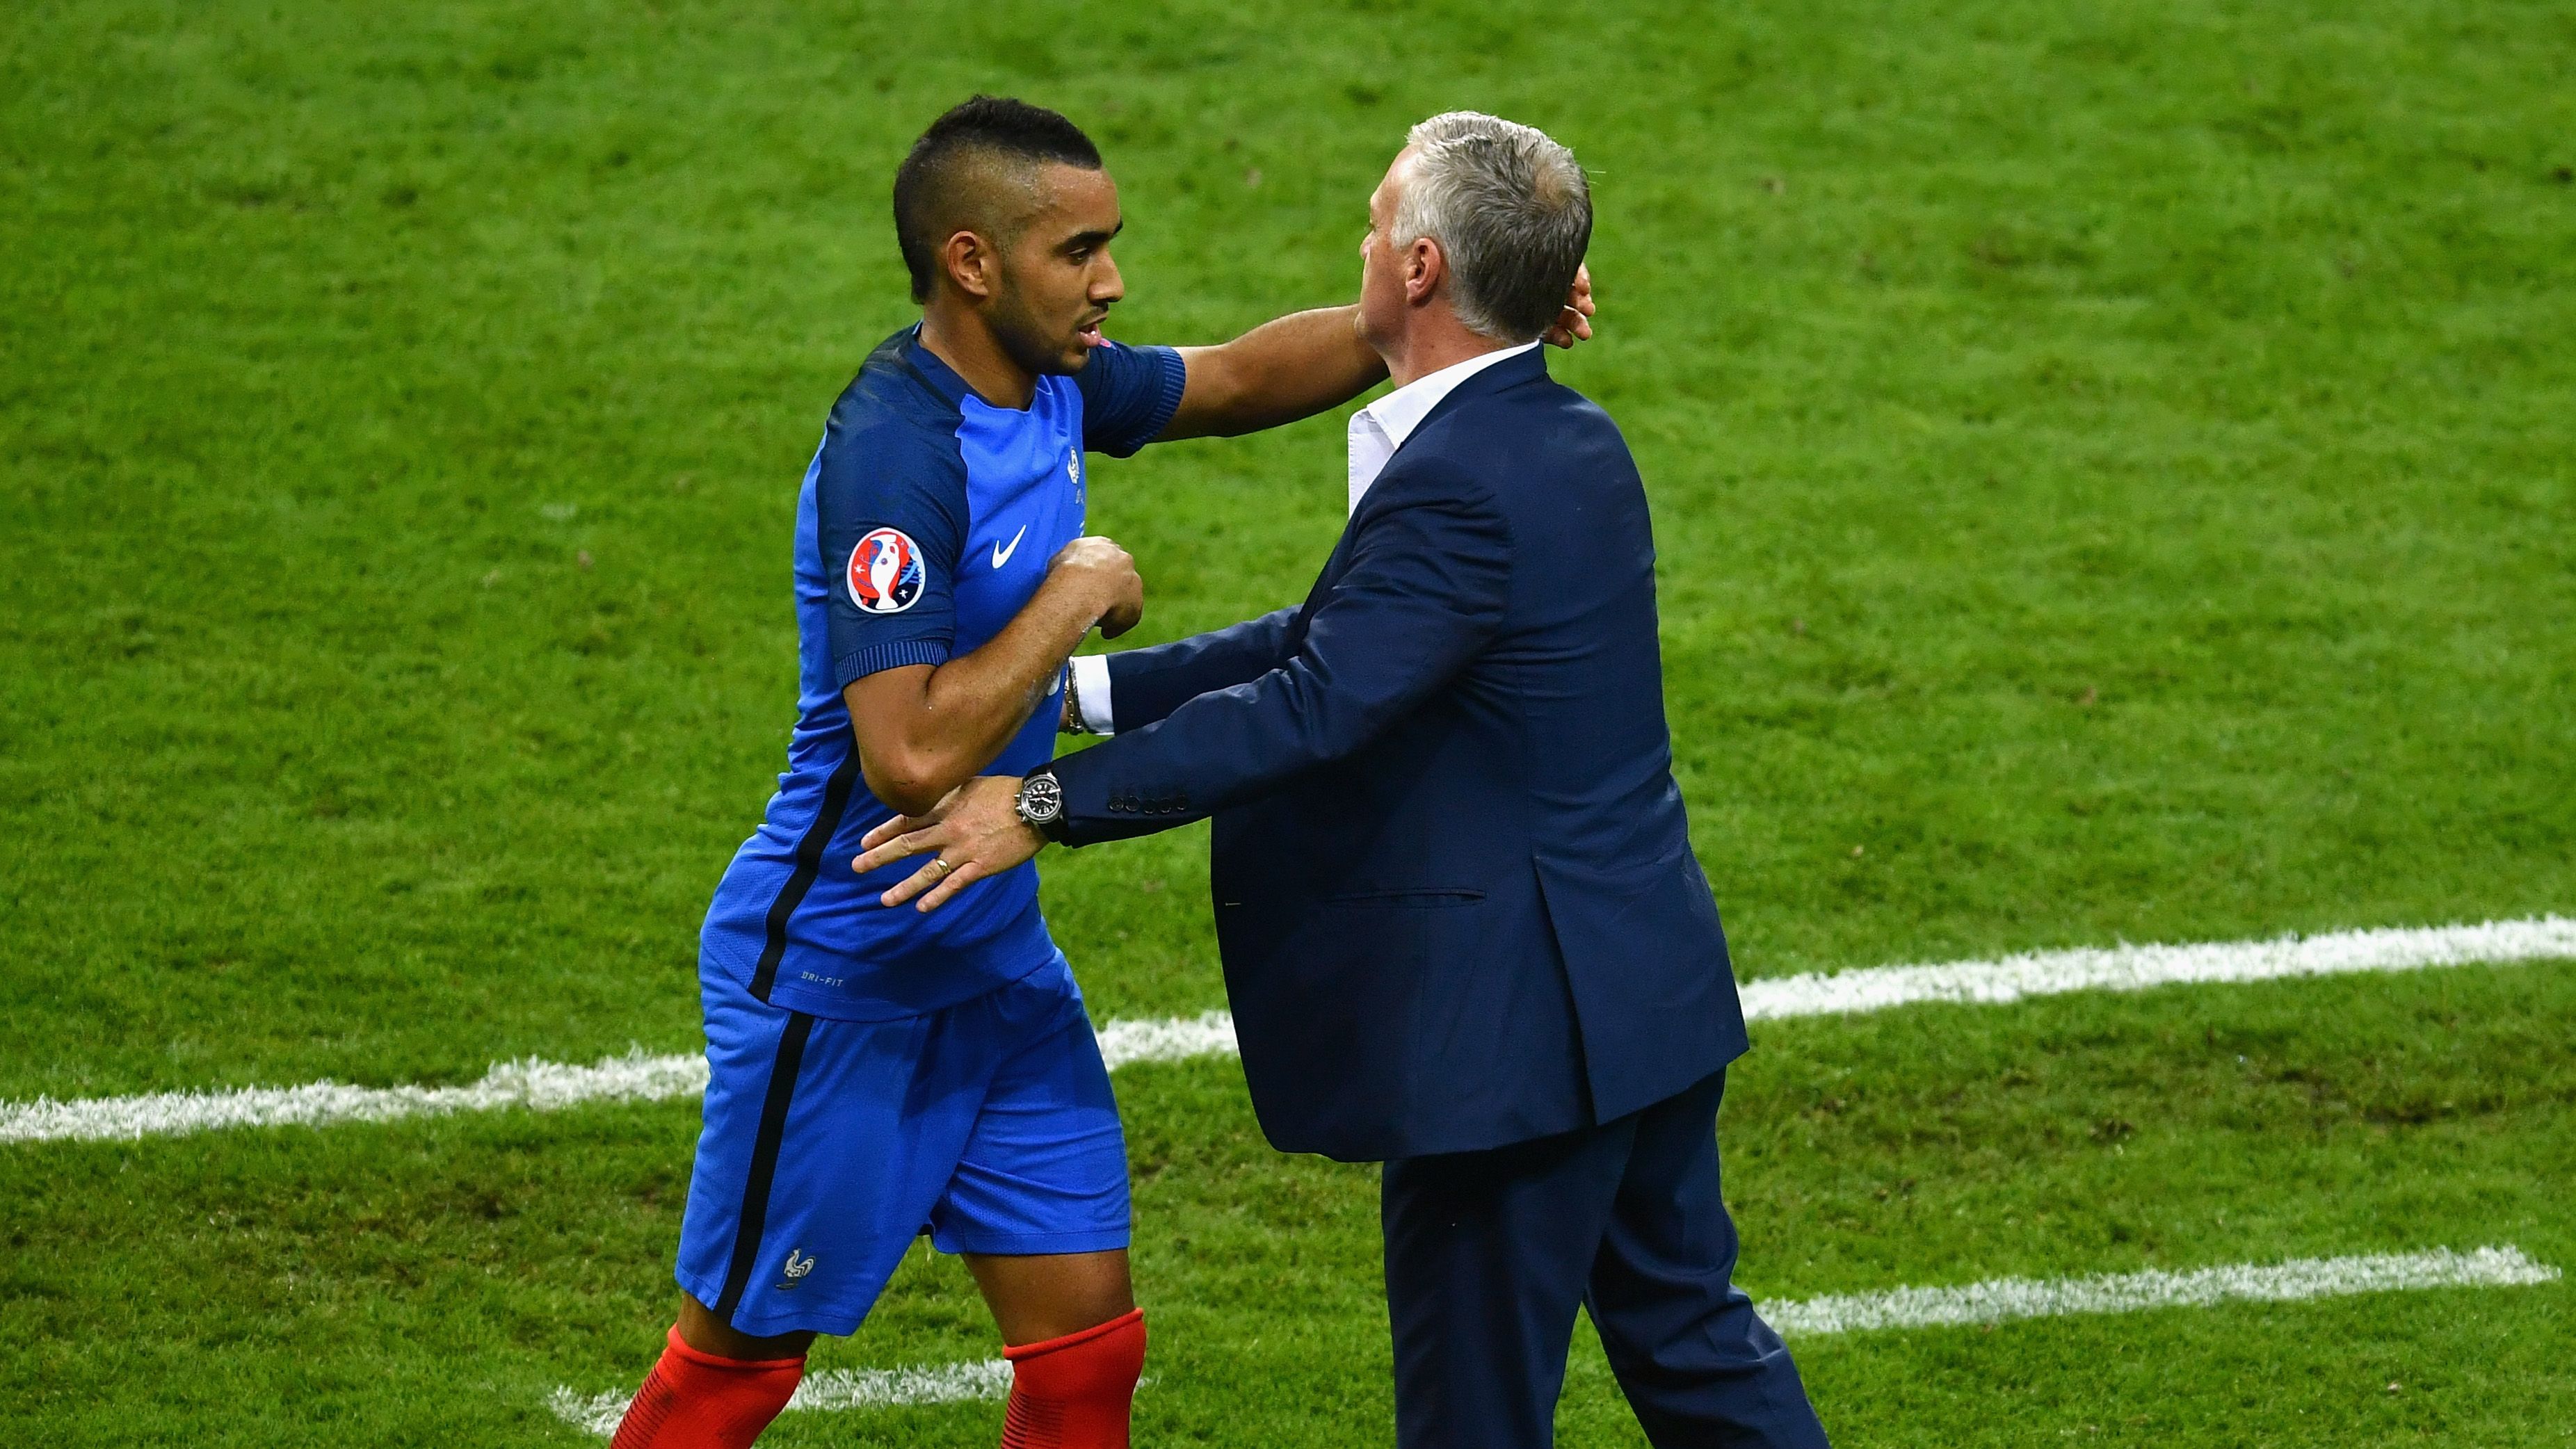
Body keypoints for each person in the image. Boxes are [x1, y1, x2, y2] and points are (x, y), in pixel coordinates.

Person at [609, 97, 1595, 1449]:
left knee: (1085, 1361)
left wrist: (1451, 323)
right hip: (844, 979)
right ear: (972, 263)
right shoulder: (896, 458)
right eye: (1077, 252)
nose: (1111, 281)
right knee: (734, 1374)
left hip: (996, 962)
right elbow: (904, 757)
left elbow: (1239, 378)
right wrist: (1071, 596)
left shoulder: (1058, 380)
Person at [853, 113, 1830, 1448]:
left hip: (1516, 1052)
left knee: (1469, 1415)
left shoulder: (1459, 484)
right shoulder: (1571, 443)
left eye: (1376, 227)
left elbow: (1312, 704)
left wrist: (1041, 805)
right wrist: (1075, 696)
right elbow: (1339, 648)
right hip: (1642, 995)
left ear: (1421, 270)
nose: (1358, 245)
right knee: (1696, 1349)